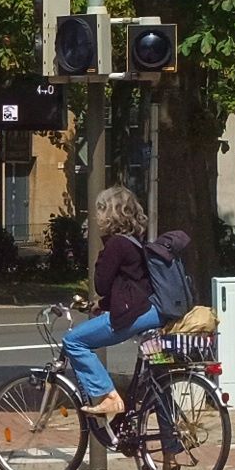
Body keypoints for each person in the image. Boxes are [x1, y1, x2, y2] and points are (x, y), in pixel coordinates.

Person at [61, 185, 167, 446]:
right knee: (155, 378)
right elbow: (128, 286)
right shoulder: (133, 242)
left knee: (74, 341)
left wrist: (101, 256)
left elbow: (102, 283)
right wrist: (104, 305)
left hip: (136, 314)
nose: (95, 218)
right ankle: (153, 439)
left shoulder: (116, 245)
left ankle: (107, 396)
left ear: (108, 214)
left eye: (98, 212)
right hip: (151, 310)